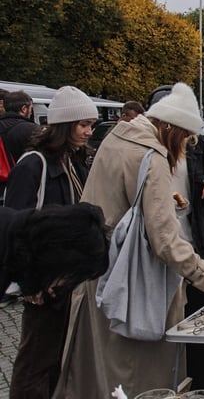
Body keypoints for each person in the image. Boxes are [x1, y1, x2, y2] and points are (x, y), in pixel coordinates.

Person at [55, 82, 204, 398]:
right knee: (139, 379)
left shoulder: (115, 139)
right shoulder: (151, 156)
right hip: (133, 284)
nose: (184, 146)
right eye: (184, 137)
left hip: (97, 273)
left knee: (100, 376)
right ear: (170, 128)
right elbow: (164, 240)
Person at [3, 86, 99, 399]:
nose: (89, 132)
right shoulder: (34, 164)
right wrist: (30, 282)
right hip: (44, 284)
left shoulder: (74, 161)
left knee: (59, 359)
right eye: (83, 125)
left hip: (68, 281)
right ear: (65, 125)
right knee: (35, 363)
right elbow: (15, 228)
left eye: (91, 125)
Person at [147, 85, 204, 390]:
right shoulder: (147, 150)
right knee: (164, 323)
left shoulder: (198, 145)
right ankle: (169, 385)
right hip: (160, 250)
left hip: (194, 239)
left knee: (198, 321)